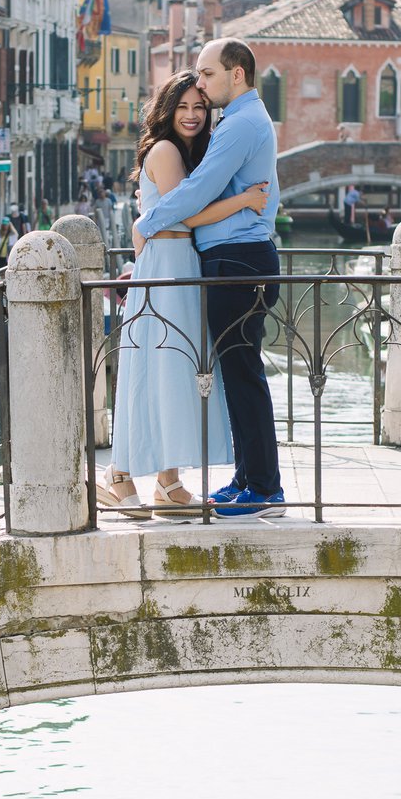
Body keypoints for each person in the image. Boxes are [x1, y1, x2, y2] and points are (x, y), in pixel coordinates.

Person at [100, 71, 268, 518]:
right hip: (167, 265)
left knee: (173, 371)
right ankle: (119, 476)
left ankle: (167, 482)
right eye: (184, 108)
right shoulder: (167, 149)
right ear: (167, 110)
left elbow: (179, 213)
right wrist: (245, 200)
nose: (193, 116)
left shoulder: (187, 153)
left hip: (180, 265)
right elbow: (187, 214)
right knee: (157, 368)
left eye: (200, 108)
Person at [134, 38, 284, 517]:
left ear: (236, 74)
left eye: (208, 74)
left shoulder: (241, 125)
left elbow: (198, 190)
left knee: (243, 375)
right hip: (233, 260)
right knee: (235, 375)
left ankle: (263, 490)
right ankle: (247, 478)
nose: (201, 82)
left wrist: (147, 221)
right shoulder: (239, 122)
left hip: (239, 260)